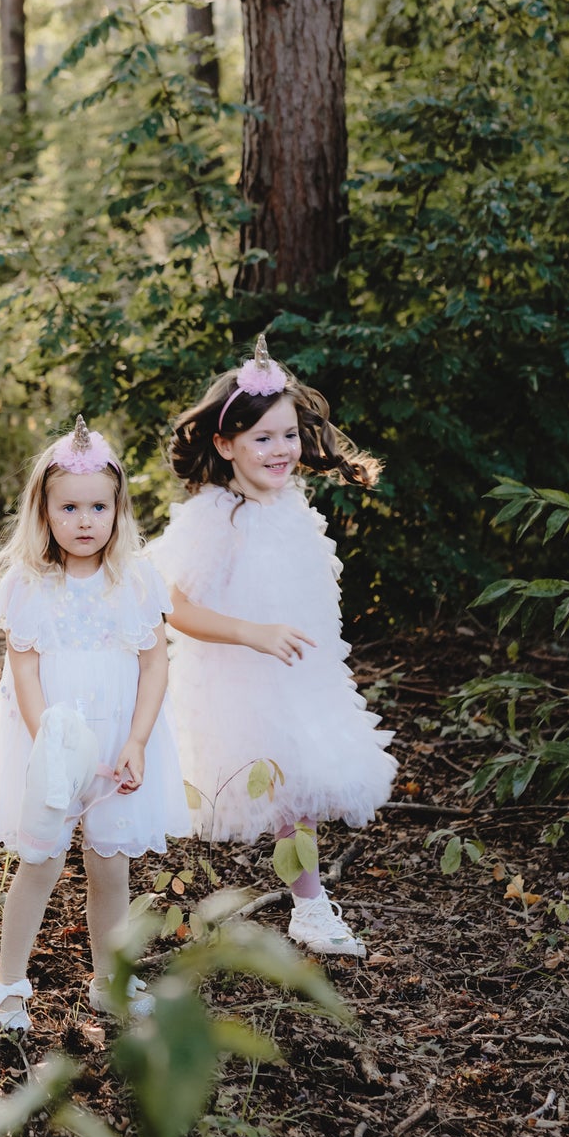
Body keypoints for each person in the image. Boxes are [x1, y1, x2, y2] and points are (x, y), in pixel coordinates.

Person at [151, 336, 396, 958]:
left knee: (302, 786)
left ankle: (308, 904)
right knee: (281, 787)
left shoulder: (291, 506)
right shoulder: (214, 517)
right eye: (262, 438)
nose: (280, 449)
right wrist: (251, 633)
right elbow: (173, 608)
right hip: (239, 674)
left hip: (298, 671)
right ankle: (300, 905)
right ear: (225, 444)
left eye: (288, 435)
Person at [0, 418, 190, 1033]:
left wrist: (138, 741)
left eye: (98, 506)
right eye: (69, 507)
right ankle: (11, 982)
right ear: (43, 511)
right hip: (54, 746)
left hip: (119, 746)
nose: (85, 520)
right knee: (40, 863)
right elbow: (24, 674)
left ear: (118, 509)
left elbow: (154, 665)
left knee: (110, 867)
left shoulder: (137, 581)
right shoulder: (28, 585)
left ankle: (109, 979)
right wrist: (54, 742)